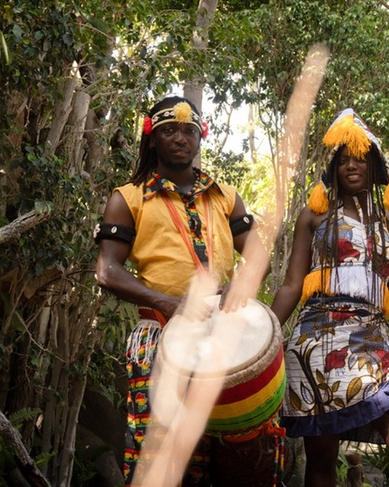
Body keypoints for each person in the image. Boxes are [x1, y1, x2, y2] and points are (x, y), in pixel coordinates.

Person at [95, 96, 277, 486]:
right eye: (169, 130)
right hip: (161, 335)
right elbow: (107, 271)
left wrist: (240, 286)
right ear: (151, 137)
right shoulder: (128, 198)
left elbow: (258, 255)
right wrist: (168, 303)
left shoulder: (226, 196)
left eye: (189, 130)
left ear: (201, 137)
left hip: (227, 338)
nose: (180, 138)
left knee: (235, 457)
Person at [271, 109, 389, 487]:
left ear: (375, 166)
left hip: (370, 338)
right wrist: (266, 332)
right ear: (333, 168)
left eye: (360, 158)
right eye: (344, 160)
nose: (352, 166)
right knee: (321, 456)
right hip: (317, 338)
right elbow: (293, 284)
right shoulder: (314, 216)